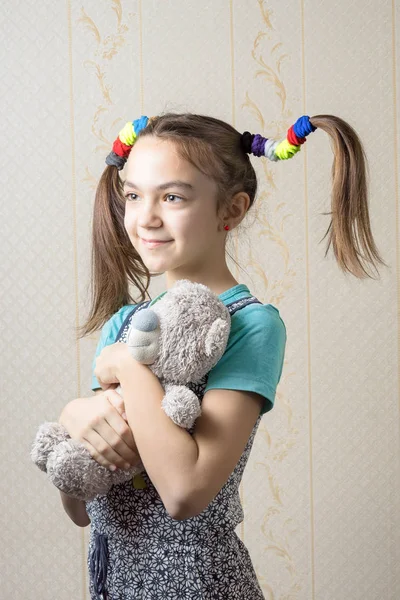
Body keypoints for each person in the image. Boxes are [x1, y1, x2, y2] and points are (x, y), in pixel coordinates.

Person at [58, 113, 387, 599]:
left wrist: (127, 367)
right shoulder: (123, 322)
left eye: (172, 197)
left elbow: (185, 491)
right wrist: (74, 420)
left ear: (230, 210)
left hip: (197, 585)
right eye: (133, 195)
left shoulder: (251, 325)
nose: (145, 217)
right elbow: (84, 507)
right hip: (114, 583)